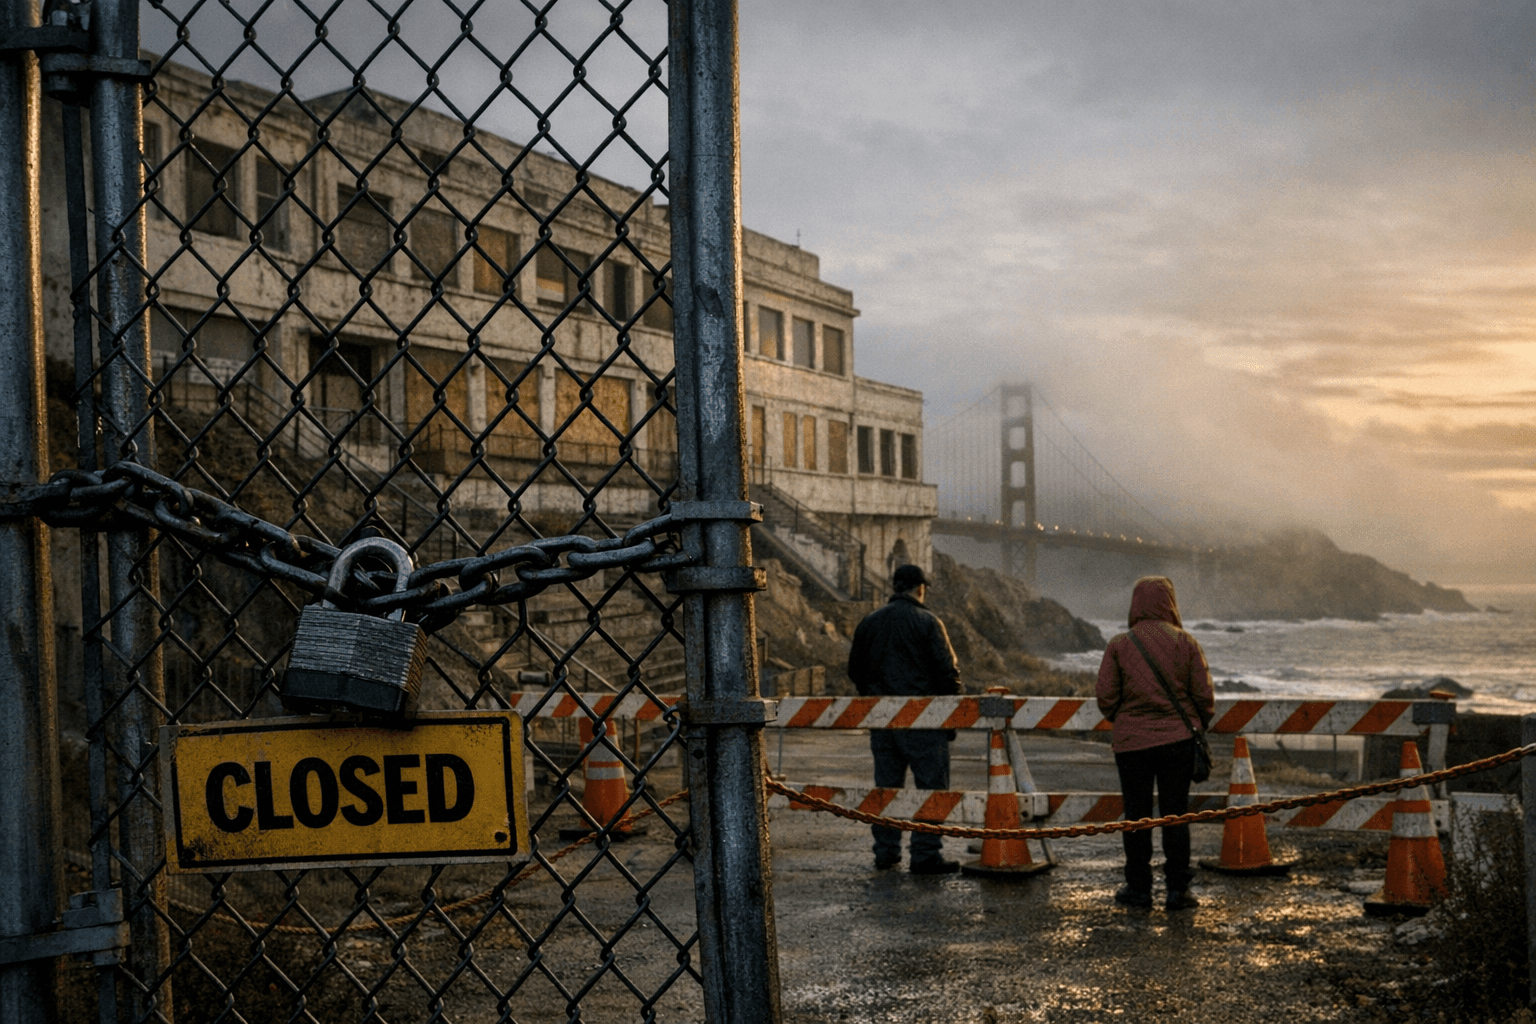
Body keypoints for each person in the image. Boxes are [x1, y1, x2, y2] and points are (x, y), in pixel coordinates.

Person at [1095, 575, 1215, 912]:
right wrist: (1195, 723)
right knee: (1175, 815)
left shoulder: (1120, 644)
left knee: (1136, 817)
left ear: (1136, 603)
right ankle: (1178, 890)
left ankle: (1139, 889)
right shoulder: (1185, 643)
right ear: (1169, 602)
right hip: (1176, 742)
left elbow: (1105, 697)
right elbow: (1204, 697)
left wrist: (1128, 718)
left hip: (1132, 745)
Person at [847, 563, 963, 874]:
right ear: (920, 588)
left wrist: (874, 698)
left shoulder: (869, 622)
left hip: (883, 721)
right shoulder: (928, 622)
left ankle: (886, 853)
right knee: (931, 789)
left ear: (895, 586)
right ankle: (925, 854)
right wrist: (949, 719)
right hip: (924, 722)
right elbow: (947, 674)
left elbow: (854, 670)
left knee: (886, 789)